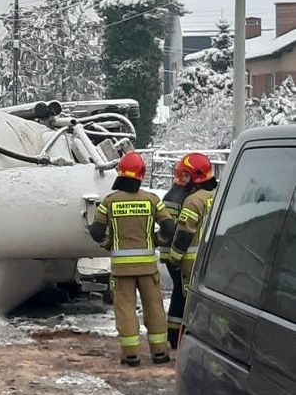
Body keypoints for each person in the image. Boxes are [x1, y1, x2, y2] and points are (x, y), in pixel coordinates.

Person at [90, 152, 176, 367]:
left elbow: (96, 232)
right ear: (142, 174)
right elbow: (169, 228)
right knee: (155, 308)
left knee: (126, 310)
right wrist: (156, 240)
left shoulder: (109, 202)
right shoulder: (152, 200)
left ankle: (131, 355)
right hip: (147, 268)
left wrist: (108, 243)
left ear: (120, 172)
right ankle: (159, 353)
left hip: (121, 271)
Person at [168, 153, 219, 298]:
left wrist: (174, 259)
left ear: (194, 177)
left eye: (185, 176)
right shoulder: (218, 195)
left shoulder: (193, 201)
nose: (181, 181)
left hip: (193, 264)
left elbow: (184, 234)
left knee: (191, 305)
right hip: (214, 260)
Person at [162, 160, 194, 349]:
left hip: (170, 252)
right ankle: (175, 335)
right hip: (177, 254)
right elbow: (180, 231)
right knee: (181, 293)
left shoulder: (171, 195)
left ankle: (173, 333)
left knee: (178, 291)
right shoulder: (182, 198)